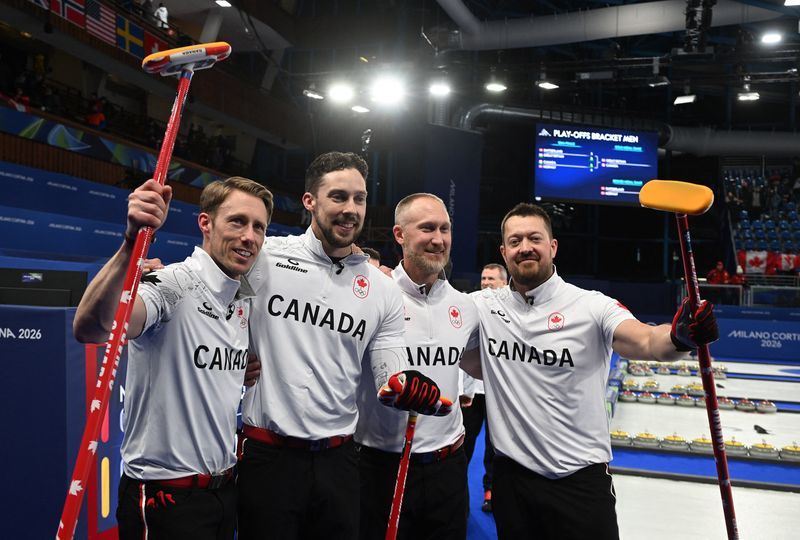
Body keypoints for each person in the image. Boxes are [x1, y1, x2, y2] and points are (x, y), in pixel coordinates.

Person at [461, 203, 719, 539]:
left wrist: (679, 335)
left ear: (552, 246)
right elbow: (447, 342)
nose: (525, 247)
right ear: (504, 251)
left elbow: (645, 341)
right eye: (515, 240)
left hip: (579, 484)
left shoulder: (591, 305)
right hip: (513, 484)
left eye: (535, 238)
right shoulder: (483, 307)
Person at [238, 152, 450, 540]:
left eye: (360, 198)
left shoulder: (382, 289)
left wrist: (411, 391)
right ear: (310, 201)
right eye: (338, 197)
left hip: (340, 462)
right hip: (268, 456)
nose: (350, 209)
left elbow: (390, 376)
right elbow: (206, 302)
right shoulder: (263, 258)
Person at [73, 176, 273, 539]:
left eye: (259, 227)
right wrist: (131, 244)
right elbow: (92, 328)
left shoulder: (242, 300)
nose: (250, 237)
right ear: (205, 223)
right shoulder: (169, 285)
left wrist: (231, 368)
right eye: (237, 221)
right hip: (166, 497)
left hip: (224, 490)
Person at [355, 193, 476, 539]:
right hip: (380, 467)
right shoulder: (372, 296)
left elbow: (484, 362)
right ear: (399, 234)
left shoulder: (466, 306)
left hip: (448, 468)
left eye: (445, 229)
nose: (438, 239)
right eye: (427, 228)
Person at [461, 262, 507, 513]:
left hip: (498, 392)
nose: (486, 283)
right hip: (471, 391)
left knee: (495, 444)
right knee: (465, 442)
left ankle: (491, 490)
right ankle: (458, 492)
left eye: (491, 279)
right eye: (483, 279)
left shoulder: (515, 311)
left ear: (504, 282)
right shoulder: (469, 305)